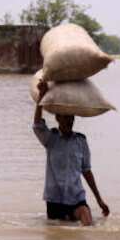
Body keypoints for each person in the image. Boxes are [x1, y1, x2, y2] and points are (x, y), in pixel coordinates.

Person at [32, 79, 109, 226]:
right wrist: (41, 95)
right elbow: (37, 125)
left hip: (76, 197)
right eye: (66, 118)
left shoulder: (81, 141)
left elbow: (86, 171)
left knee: (86, 220)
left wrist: (99, 200)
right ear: (58, 118)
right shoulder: (51, 139)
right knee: (57, 239)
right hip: (55, 200)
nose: (69, 121)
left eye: (71, 118)